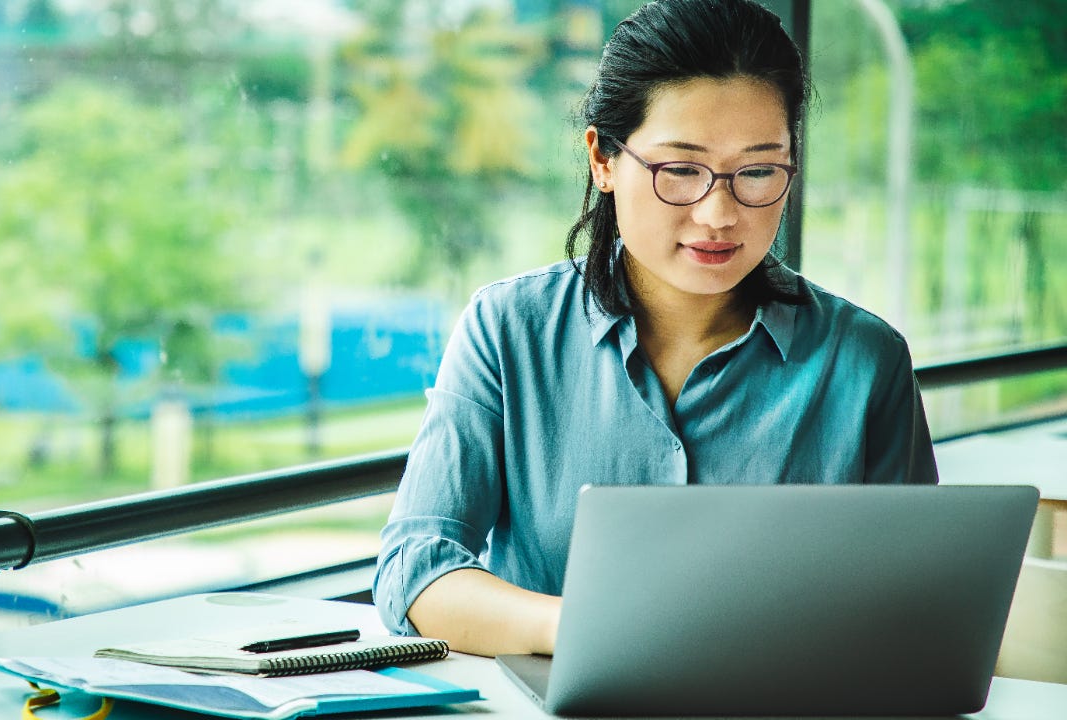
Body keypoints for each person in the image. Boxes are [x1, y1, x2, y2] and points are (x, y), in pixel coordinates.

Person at [372, 0, 939, 658]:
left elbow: (921, 601)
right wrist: (590, 626)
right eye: (680, 171)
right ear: (603, 160)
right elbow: (416, 571)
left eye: (757, 171)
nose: (719, 214)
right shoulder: (508, 330)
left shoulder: (864, 361)